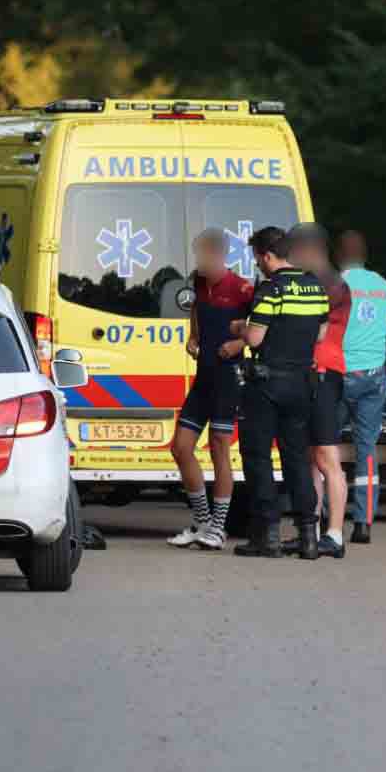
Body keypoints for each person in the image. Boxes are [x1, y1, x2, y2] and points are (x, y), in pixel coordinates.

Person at [230, 226, 329, 560]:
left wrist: (240, 328)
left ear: (266, 255)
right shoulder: (315, 286)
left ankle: (267, 536)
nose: (257, 264)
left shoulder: (272, 289)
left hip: (266, 384)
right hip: (301, 383)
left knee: (257, 457)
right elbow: (321, 333)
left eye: (258, 257)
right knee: (297, 459)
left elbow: (255, 339)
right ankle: (307, 537)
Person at [167, 230, 256, 551]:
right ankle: (202, 522)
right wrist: (193, 337)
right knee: (180, 447)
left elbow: (263, 324)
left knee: (219, 447)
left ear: (219, 254)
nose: (198, 260)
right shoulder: (199, 282)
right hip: (203, 378)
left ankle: (218, 528)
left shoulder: (243, 288)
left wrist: (239, 343)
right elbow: (196, 310)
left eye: (202, 254)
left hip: (228, 378)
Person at [334, 230, 386, 544]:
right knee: (367, 449)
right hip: (373, 376)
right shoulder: (382, 285)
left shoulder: (335, 286)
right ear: (365, 255)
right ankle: (363, 523)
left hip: (338, 374)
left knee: (327, 447)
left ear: (339, 255)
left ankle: (329, 517)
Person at [284, 223, 351, 559]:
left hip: (324, 373)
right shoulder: (316, 281)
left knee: (327, 457)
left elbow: (318, 332)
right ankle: (310, 530)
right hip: (309, 372)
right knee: (313, 459)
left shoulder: (332, 284)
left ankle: (335, 535)